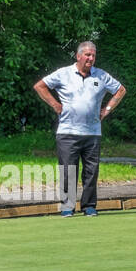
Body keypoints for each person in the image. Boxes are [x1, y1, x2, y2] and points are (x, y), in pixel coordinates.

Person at [32, 42, 126, 216]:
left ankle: (89, 206)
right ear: (78, 56)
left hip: (93, 132)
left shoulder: (101, 76)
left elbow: (120, 90)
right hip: (68, 132)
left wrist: (107, 110)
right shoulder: (63, 73)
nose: (91, 58)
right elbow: (40, 86)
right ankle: (67, 206)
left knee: (91, 172)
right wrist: (54, 104)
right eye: (87, 55)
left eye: (93, 55)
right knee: (68, 171)